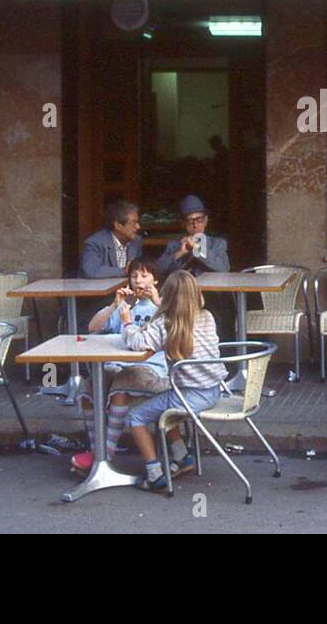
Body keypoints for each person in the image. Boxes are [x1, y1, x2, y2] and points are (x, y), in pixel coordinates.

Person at [120, 272, 228, 490]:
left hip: (189, 396)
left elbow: (136, 342)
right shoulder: (206, 316)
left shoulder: (165, 323)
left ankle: (154, 473)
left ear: (167, 296)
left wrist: (127, 322)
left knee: (135, 417)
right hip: (214, 389)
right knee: (163, 400)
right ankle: (182, 456)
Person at [70, 258, 169, 474]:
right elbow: (93, 327)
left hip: (152, 369)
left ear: (155, 280)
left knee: (119, 390)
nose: (138, 281)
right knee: (87, 389)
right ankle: (97, 452)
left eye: (144, 275)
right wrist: (115, 305)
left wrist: (157, 301)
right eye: (134, 276)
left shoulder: (163, 307)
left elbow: (178, 326)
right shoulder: (125, 307)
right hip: (119, 365)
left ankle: (105, 456)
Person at [156, 194, 230, 277]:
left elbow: (224, 269)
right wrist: (180, 253)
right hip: (182, 289)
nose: (195, 225)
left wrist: (197, 249)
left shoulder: (218, 243)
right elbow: (157, 270)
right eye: (190, 221)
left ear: (206, 221)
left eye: (200, 219)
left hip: (208, 289)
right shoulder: (174, 245)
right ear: (183, 223)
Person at [81, 200, 145, 278]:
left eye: (138, 222)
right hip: (102, 289)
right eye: (133, 223)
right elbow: (91, 270)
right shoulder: (95, 243)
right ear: (118, 225)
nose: (138, 227)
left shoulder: (136, 242)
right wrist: (124, 271)